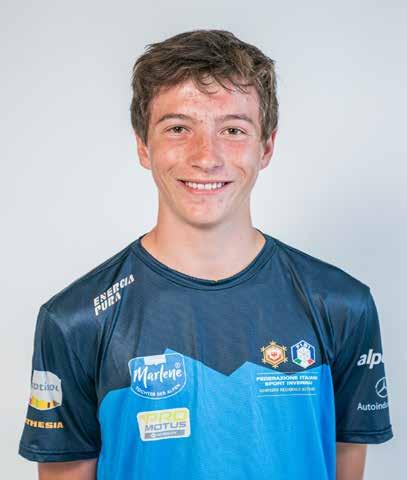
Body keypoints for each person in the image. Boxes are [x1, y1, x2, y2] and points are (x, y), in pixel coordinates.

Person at [18, 29, 393, 480]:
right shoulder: (75, 320)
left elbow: (344, 462)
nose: (206, 156)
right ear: (143, 146)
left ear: (266, 147)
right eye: (179, 128)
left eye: (233, 130)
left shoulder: (342, 304)